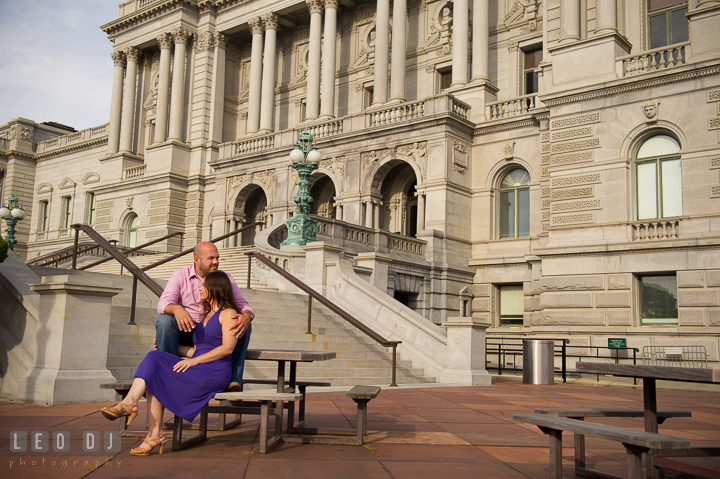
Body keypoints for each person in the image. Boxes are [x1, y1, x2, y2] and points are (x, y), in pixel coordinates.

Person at [100, 272, 240, 456]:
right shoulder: (206, 315)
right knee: (155, 359)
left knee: (157, 373)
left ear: (214, 287)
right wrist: (176, 347)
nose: (199, 288)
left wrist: (194, 361)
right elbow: (197, 350)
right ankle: (134, 407)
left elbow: (227, 349)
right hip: (199, 365)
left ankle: (149, 430)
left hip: (214, 372)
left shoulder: (229, 314)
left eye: (203, 286)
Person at [155, 242, 253, 392]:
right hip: (186, 330)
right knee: (165, 321)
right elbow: (163, 304)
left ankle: (234, 379)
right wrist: (176, 308)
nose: (216, 262)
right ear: (197, 260)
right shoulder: (180, 275)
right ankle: (169, 375)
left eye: (217, 258)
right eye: (211, 258)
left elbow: (243, 304)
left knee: (242, 323)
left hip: (212, 333)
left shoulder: (224, 278)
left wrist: (247, 316)